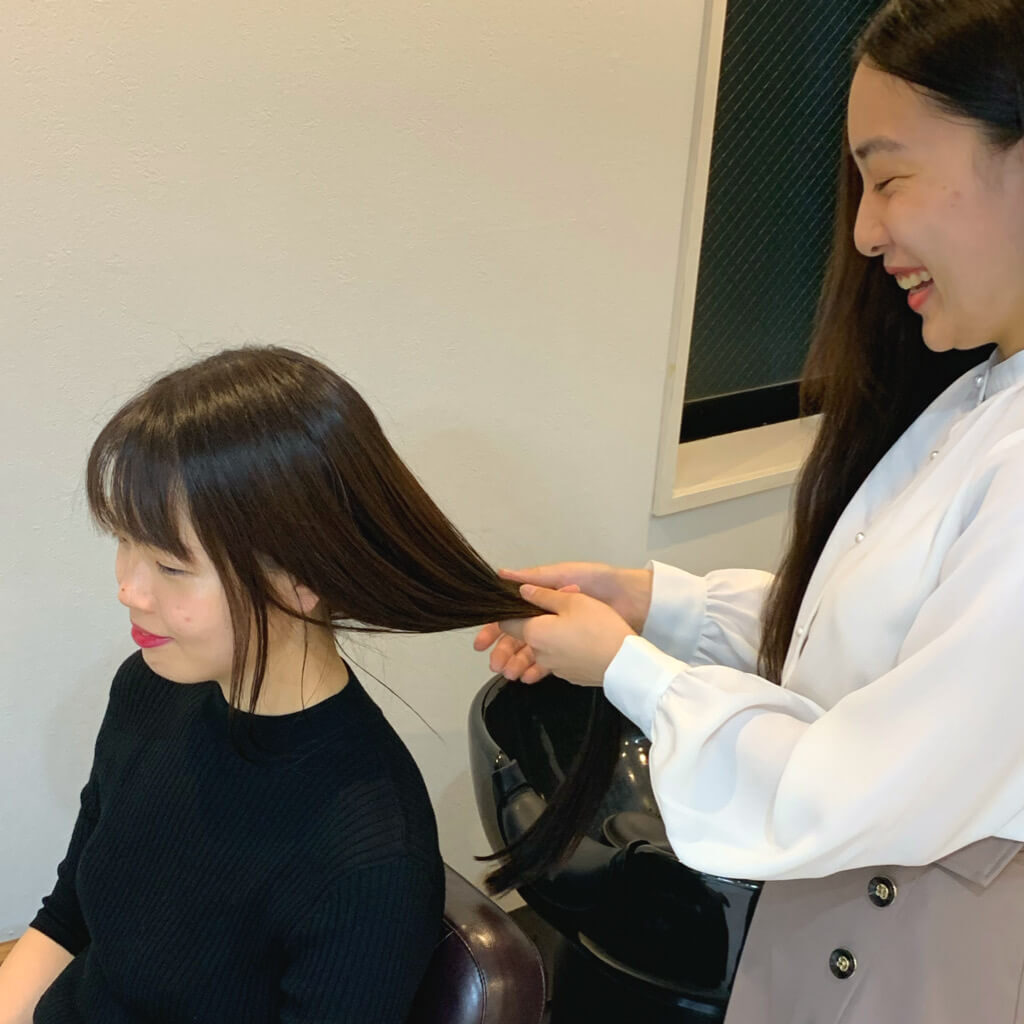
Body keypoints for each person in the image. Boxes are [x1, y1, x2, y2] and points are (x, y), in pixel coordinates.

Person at [474, 1, 1024, 1020]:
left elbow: (851, 780)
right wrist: (654, 603)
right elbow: (877, 638)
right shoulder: (978, 396)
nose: (863, 232)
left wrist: (628, 667)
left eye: (890, 178)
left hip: (920, 960)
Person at [0, 345, 540, 1024]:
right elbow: (66, 920)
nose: (127, 588)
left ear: (303, 579)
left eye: (169, 565)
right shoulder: (150, 688)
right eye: (123, 540)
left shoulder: (367, 854)